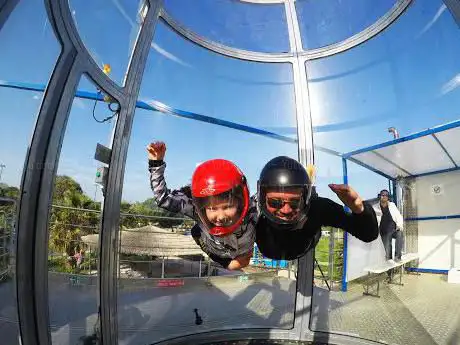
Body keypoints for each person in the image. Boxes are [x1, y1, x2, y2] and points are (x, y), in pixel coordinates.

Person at [147, 141, 257, 270]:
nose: (220, 217)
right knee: (195, 231)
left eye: (227, 207)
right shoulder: (195, 209)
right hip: (219, 253)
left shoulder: (252, 209)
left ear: (240, 202)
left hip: (245, 250)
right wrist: (156, 164)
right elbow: (163, 198)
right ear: (201, 207)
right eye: (212, 208)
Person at [255, 156, 379, 260]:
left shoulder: (317, 208)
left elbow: (368, 234)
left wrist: (359, 208)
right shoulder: (252, 211)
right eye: (275, 202)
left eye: (295, 203)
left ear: (305, 199)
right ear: (261, 198)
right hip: (276, 246)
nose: (286, 210)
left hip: (303, 245)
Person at [373, 189, 404, 262]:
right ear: (380, 196)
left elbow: (398, 216)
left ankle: (397, 257)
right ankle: (389, 270)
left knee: (400, 234)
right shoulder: (375, 207)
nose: (384, 196)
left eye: (386, 195)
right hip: (384, 232)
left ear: (388, 197)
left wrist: (399, 225)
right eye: (382, 195)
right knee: (388, 251)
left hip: (394, 230)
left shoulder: (392, 205)